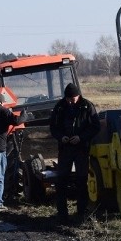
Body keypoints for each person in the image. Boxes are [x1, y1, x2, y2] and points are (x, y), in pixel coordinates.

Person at [49, 82, 101, 224]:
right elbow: (53, 127)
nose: (70, 101)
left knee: (81, 181)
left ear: (78, 96)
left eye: (72, 99)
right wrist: (61, 137)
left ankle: (81, 213)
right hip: (65, 149)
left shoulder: (87, 106)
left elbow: (95, 126)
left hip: (81, 149)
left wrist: (81, 137)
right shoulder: (60, 107)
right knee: (61, 182)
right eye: (68, 99)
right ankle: (62, 214)